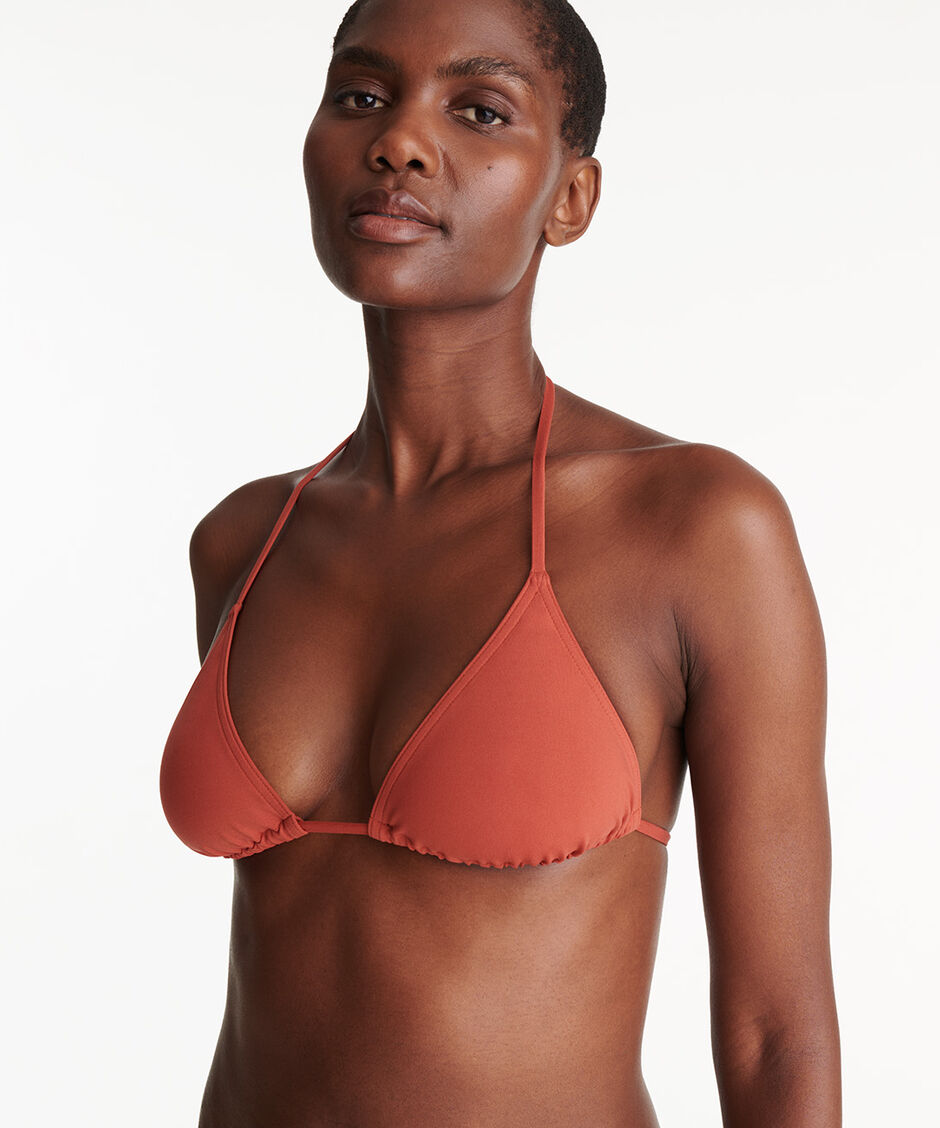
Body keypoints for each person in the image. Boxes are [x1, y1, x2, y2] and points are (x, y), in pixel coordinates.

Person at [160, 0, 841, 1124]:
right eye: (361, 96)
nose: (399, 141)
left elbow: (778, 1035)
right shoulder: (244, 539)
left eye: (478, 110)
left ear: (570, 198)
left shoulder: (695, 526)